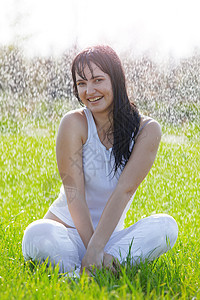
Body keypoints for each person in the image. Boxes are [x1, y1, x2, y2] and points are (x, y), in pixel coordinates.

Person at [22, 45, 178, 275]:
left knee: (167, 227)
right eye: (81, 83)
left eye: (97, 80)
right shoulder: (74, 123)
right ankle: (91, 271)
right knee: (37, 232)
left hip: (109, 240)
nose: (89, 90)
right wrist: (91, 249)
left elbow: (124, 191)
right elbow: (73, 192)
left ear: (116, 80)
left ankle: (83, 273)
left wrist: (98, 248)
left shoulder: (147, 130)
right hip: (65, 237)